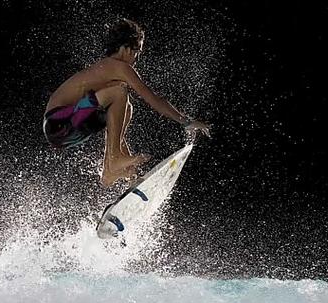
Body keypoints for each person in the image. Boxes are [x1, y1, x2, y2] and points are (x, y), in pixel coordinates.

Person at [43, 18, 210, 187]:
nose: (137, 58)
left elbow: (115, 124)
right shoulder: (118, 67)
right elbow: (153, 99)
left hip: (64, 129)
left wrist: (134, 177)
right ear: (125, 48)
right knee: (119, 93)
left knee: (126, 107)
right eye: (137, 51)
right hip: (58, 122)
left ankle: (110, 171)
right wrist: (186, 122)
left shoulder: (107, 72)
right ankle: (115, 159)